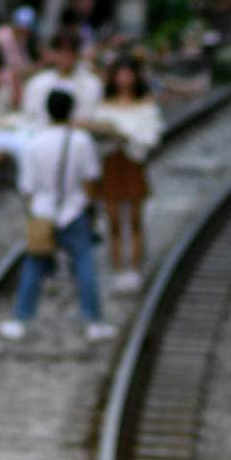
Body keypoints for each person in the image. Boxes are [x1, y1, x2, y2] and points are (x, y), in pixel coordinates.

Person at [3, 89, 112, 344]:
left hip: (44, 211)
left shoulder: (34, 143)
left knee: (34, 265)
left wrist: (34, 214)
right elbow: (90, 179)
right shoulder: (82, 140)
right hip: (74, 210)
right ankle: (93, 321)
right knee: (84, 264)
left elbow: (27, 188)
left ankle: (20, 319)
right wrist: (88, 205)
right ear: (71, 111)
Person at [91, 58, 163, 293]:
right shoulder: (104, 104)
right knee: (112, 218)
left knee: (133, 218)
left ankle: (133, 268)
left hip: (132, 163)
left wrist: (123, 133)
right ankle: (117, 267)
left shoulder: (145, 105)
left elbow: (150, 137)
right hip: (111, 163)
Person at [20, 30, 104, 123]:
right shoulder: (37, 82)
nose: (66, 56)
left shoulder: (92, 84)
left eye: (71, 52)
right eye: (62, 51)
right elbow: (29, 115)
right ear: (54, 53)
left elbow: (90, 117)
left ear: (78, 54)